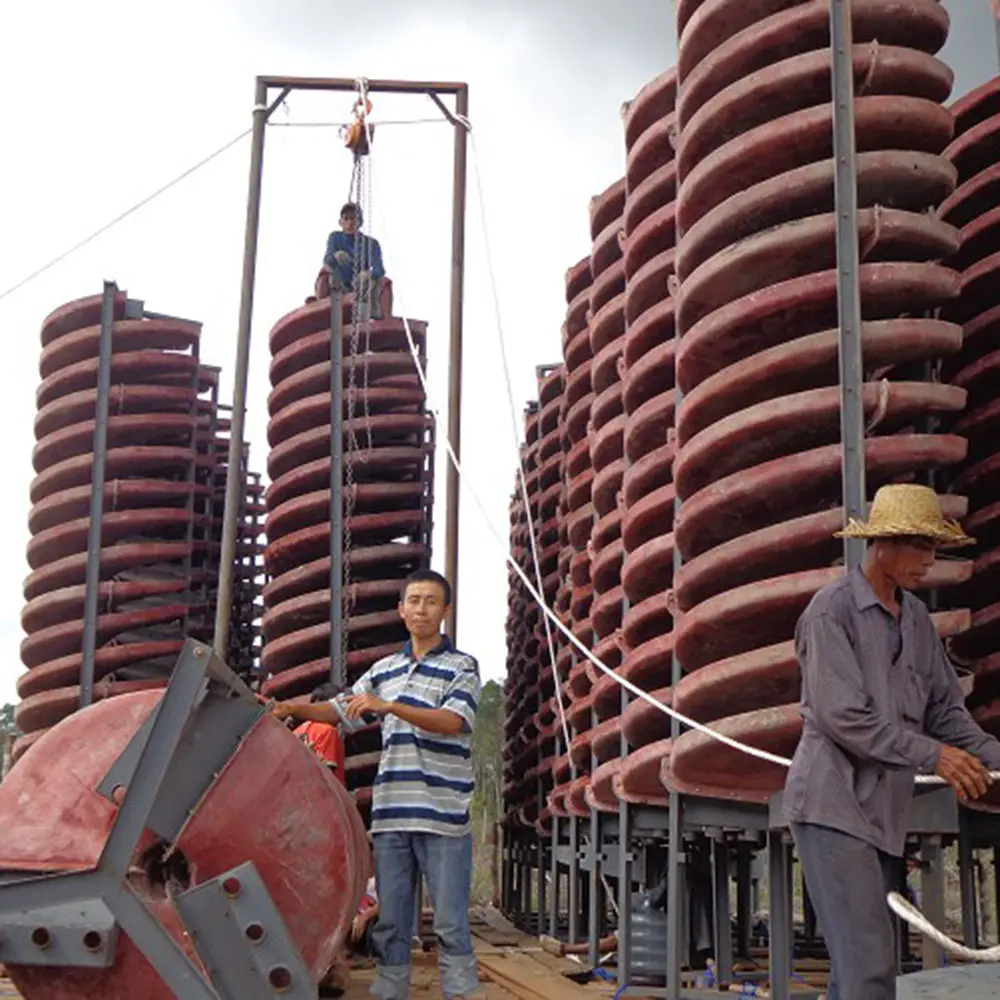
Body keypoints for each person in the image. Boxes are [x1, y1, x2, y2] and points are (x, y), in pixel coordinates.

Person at [783, 483, 1000, 1000]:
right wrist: (934, 756)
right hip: (833, 806)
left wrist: (992, 756)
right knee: (869, 973)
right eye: (919, 547)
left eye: (933, 548)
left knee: (855, 974)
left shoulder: (918, 621)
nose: (929, 561)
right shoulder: (829, 612)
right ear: (882, 544)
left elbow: (947, 713)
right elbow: (844, 719)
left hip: (883, 814)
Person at [272, 568, 481, 1000]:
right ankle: (390, 991)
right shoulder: (385, 669)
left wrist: (391, 706)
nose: (421, 609)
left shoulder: (461, 667)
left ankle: (460, 993)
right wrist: (287, 706)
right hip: (391, 816)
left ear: (445, 611)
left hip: (442, 816)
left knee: (449, 922)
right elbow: (341, 710)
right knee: (392, 920)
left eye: (430, 601)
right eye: (414, 601)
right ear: (401, 610)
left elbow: (453, 721)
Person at [314, 202, 392, 319]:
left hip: (362, 288)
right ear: (341, 222)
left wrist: (368, 274)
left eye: (354, 219)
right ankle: (322, 311)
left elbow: (379, 268)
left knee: (384, 282)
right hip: (338, 287)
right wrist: (335, 257)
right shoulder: (335, 237)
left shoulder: (371, 244)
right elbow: (327, 260)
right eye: (346, 219)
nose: (350, 223)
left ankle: (375, 314)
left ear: (360, 222)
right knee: (325, 273)